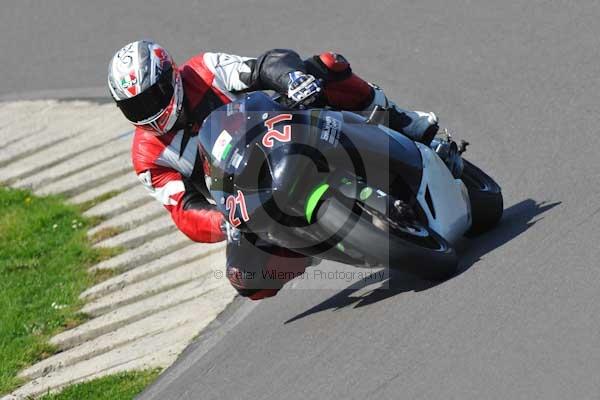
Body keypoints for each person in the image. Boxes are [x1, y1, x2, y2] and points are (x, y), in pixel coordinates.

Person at [107, 40, 439, 300]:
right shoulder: (147, 156)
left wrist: (291, 78)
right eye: (135, 107)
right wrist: (223, 223)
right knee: (246, 279)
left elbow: (262, 67)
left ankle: (404, 121)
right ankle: (307, 248)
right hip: (252, 200)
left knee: (325, 65)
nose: (148, 111)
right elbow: (183, 210)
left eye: (153, 97)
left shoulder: (204, 70)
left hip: (285, 135)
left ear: (171, 77)